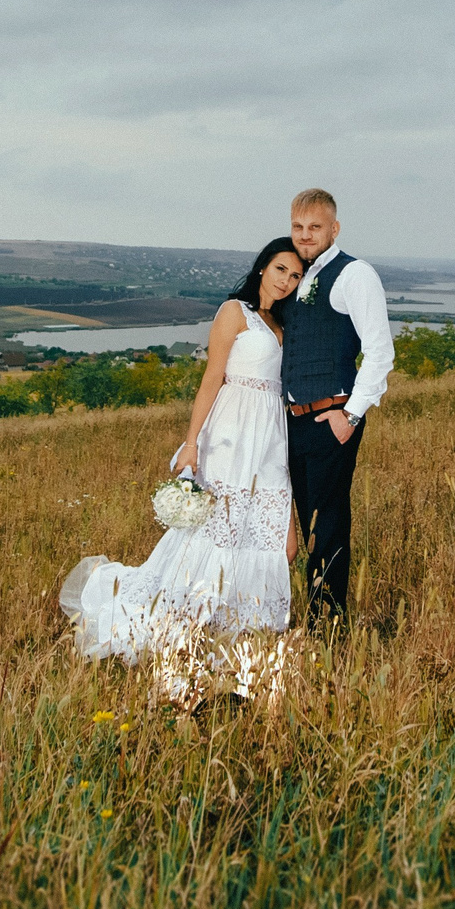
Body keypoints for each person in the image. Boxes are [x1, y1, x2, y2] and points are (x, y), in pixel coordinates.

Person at [62, 239, 303, 663]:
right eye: (281, 269)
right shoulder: (236, 312)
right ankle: (189, 620)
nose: (287, 280)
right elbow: (212, 377)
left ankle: (242, 624)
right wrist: (191, 444)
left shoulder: (284, 320)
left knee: (279, 541)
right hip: (231, 430)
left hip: (270, 435)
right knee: (219, 533)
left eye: (296, 275)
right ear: (263, 267)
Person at [280, 187, 392, 628]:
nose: (305, 236)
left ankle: (327, 624)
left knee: (327, 523)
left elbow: (380, 352)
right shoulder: (295, 274)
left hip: (332, 417)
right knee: (304, 521)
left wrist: (350, 415)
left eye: (315, 227)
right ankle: (306, 614)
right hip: (293, 420)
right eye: (298, 227)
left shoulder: (354, 274)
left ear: (334, 228)